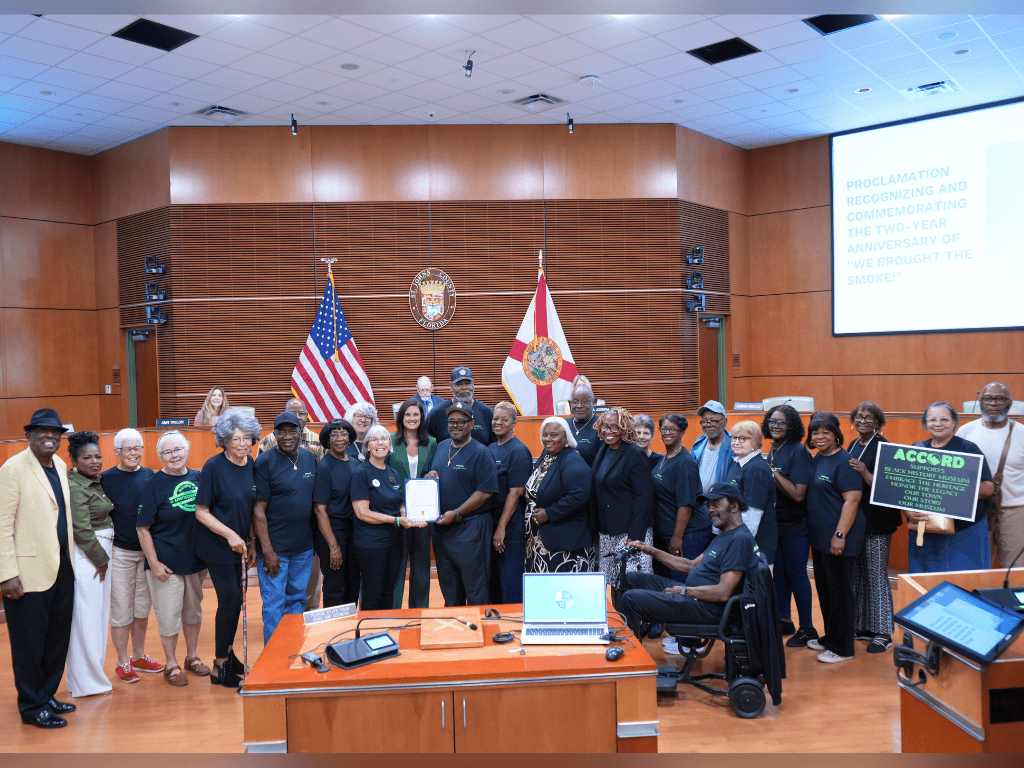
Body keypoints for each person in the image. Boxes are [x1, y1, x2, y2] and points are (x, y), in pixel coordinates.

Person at [0, 409, 77, 728]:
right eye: (42, 432)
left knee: (56, 638)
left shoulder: (59, 464)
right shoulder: (12, 468)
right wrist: (6, 574)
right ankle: (31, 706)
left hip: (61, 566)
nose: (50, 437)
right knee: (29, 642)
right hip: (26, 573)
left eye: (55, 432)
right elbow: (2, 524)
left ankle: (46, 694)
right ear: (29, 436)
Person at [618, 482, 765, 634]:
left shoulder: (740, 540)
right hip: (696, 598)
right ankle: (629, 634)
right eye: (708, 505)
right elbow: (690, 566)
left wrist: (684, 591)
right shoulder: (725, 534)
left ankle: (626, 650)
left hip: (709, 608)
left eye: (716, 504)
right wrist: (651, 550)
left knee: (631, 600)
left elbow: (723, 592)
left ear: (734, 507)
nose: (710, 510)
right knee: (632, 578)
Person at [136, 431, 209, 687]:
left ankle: (191, 657)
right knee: (168, 617)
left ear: (187, 450)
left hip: (196, 562)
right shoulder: (154, 484)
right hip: (166, 564)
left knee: (193, 613)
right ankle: (171, 663)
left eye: (177, 449)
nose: (173, 455)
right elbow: (142, 528)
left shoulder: (199, 477)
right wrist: (153, 563)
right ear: (160, 457)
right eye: (167, 452)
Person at [195, 409, 261, 688]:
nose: (243, 443)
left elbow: (249, 508)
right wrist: (231, 535)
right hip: (217, 545)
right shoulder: (213, 466)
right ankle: (219, 663)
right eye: (236, 438)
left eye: (248, 437)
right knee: (230, 600)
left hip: (241, 546)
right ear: (224, 439)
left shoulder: (251, 463)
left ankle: (230, 654)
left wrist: (251, 540)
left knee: (238, 602)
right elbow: (201, 511)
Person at [101, 428, 162, 683]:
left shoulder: (151, 475)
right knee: (121, 611)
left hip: (147, 555)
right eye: (129, 449)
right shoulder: (105, 479)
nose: (134, 453)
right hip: (121, 554)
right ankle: (122, 662)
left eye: (138, 448)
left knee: (141, 610)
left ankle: (138, 655)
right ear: (117, 452)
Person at [905, 403, 994, 573]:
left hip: (966, 531)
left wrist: (951, 482)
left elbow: (987, 489)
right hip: (926, 530)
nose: (938, 424)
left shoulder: (968, 449)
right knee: (926, 584)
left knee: (966, 583)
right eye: (932, 420)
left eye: (944, 419)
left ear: (954, 422)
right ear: (925, 424)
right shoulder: (916, 449)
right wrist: (908, 512)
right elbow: (904, 489)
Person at [424, 402, 498, 606]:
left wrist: (456, 512)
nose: (455, 426)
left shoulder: (482, 453)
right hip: (442, 532)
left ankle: (479, 634)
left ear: (472, 423)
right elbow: (426, 474)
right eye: (451, 422)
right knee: (450, 591)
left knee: (475, 590)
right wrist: (429, 475)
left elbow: (484, 492)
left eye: (460, 422)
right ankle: (455, 632)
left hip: (470, 529)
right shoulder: (440, 447)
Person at [253, 412, 318, 643]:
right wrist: (268, 550)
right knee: (274, 603)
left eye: (293, 431)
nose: (288, 436)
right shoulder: (265, 462)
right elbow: (258, 509)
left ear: (301, 433)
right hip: (275, 549)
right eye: (283, 432)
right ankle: (274, 657)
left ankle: (293, 647)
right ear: (275, 435)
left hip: (303, 547)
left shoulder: (310, 459)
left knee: (298, 599)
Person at [804, 412, 864, 664]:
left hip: (840, 539)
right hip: (820, 539)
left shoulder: (844, 461)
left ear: (836, 434)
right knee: (826, 591)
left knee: (840, 593)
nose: (819, 437)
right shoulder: (819, 458)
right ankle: (831, 637)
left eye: (825, 432)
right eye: (815, 432)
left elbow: (852, 500)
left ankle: (843, 647)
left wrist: (840, 535)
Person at [351, 425, 427, 610]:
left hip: (394, 542)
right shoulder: (361, 472)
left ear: (389, 445)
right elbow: (362, 512)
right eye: (374, 440)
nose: (380, 443)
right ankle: (369, 635)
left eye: (384, 439)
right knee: (372, 593)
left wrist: (405, 514)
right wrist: (397, 521)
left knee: (389, 592)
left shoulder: (392, 474)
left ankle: (384, 632)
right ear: (367, 446)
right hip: (371, 544)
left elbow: (399, 502)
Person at [761, 405, 817, 648]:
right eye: (772, 421)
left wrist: (771, 472)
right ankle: (785, 620)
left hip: (796, 526)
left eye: (781, 422)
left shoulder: (798, 452)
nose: (775, 425)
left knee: (797, 575)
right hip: (776, 525)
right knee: (779, 575)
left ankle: (808, 628)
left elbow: (797, 494)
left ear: (791, 426)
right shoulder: (772, 448)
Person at [65, 431, 115, 698]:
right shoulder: (76, 486)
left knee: (96, 618)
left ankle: (90, 679)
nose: (94, 461)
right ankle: (87, 683)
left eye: (98, 456)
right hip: (91, 559)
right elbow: (81, 530)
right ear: (73, 459)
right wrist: (102, 560)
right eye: (87, 457)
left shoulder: (93, 482)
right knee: (87, 620)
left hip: (98, 556)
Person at [847, 402, 899, 654]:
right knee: (859, 575)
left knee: (877, 576)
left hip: (878, 521)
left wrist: (866, 472)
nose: (863, 420)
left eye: (869, 417)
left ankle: (883, 632)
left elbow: (890, 490)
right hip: (857, 520)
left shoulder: (885, 447)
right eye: (859, 416)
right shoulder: (853, 444)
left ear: (878, 422)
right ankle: (863, 626)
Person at [957, 382, 1024, 568]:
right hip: (977, 508)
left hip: (1016, 510)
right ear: (980, 402)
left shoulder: (1022, 433)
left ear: (1009, 403)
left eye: (999, 399)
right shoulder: (965, 431)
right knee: (976, 564)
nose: (993, 403)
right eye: (987, 398)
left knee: (1016, 568)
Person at [593, 407, 655, 589]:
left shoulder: (634, 454)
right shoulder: (603, 450)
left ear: (624, 429)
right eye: (605, 426)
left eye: (614, 427)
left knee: (633, 584)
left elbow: (644, 498)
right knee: (611, 585)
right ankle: (617, 617)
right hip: (608, 532)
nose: (608, 431)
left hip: (631, 533)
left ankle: (637, 618)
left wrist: (634, 538)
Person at [525, 418, 595, 573]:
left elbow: (579, 496)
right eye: (545, 435)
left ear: (565, 438)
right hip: (541, 539)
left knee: (562, 593)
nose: (548, 439)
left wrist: (549, 514)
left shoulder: (572, 460)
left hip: (564, 543)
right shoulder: (547, 456)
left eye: (554, 435)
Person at [651, 415, 711, 580]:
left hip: (689, 534)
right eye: (664, 429)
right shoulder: (666, 457)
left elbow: (685, 506)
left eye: (673, 429)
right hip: (672, 533)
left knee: (684, 583)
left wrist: (676, 538)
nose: (668, 433)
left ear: (682, 433)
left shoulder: (685, 463)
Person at [390, 399, 437, 608]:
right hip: (396, 512)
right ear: (401, 417)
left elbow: (434, 471)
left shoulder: (432, 443)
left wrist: (433, 475)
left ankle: (420, 612)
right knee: (396, 567)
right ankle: (393, 611)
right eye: (407, 415)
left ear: (422, 418)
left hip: (423, 513)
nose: (412, 419)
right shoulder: (390, 441)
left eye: (416, 415)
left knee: (421, 567)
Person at [313, 419, 361, 610]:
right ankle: (333, 634)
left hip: (355, 531)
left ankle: (349, 631)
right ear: (327, 440)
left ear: (350, 439)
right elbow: (319, 509)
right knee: (335, 585)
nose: (340, 439)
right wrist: (333, 547)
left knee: (353, 582)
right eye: (334, 435)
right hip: (333, 531)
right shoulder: (324, 467)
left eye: (344, 434)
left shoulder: (356, 464)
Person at [488, 402, 534, 602]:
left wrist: (501, 527)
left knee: (510, 582)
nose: (499, 423)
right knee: (494, 584)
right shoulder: (489, 448)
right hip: (490, 522)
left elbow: (515, 492)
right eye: (495, 419)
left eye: (504, 419)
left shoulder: (518, 451)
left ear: (514, 423)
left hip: (510, 526)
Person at [725, 420, 778, 566]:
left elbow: (752, 517)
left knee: (754, 588)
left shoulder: (757, 469)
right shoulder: (737, 462)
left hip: (754, 546)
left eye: (743, 438)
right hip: (737, 539)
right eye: (734, 438)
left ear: (755, 442)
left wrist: (738, 547)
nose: (736, 442)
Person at [426, 366, 495, 445]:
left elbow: (495, 446)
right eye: (458, 384)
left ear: (473, 385)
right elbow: (429, 447)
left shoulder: (487, 413)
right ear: (451, 386)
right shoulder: (436, 414)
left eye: (468, 383)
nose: (464, 388)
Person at [691, 400, 734, 489]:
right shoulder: (698, 444)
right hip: (698, 501)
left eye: (713, 421)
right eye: (704, 421)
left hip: (721, 500)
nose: (708, 425)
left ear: (724, 422)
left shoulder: (733, 445)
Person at [563, 379, 601, 466]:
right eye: (575, 402)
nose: (579, 406)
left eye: (584, 401)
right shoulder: (564, 426)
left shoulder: (601, 426)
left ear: (593, 403)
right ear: (570, 404)